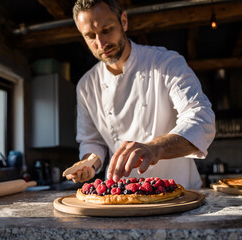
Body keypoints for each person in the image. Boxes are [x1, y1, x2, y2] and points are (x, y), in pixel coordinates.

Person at [66, 0, 216, 189]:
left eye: (107, 30)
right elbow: (91, 140)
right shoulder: (87, 85)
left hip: (180, 193)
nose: (101, 43)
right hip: (121, 196)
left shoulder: (166, 63)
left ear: (124, 21)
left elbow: (202, 119)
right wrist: (88, 163)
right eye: (90, 36)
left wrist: (155, 148)